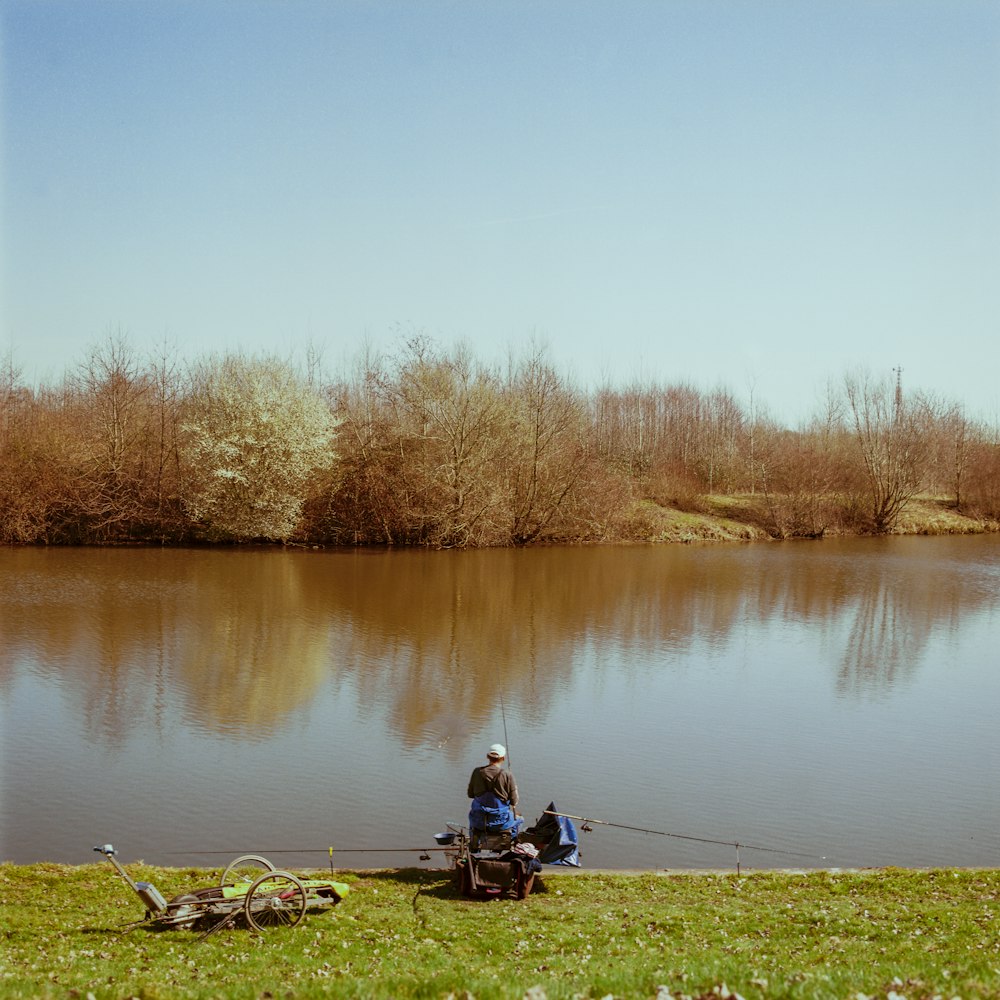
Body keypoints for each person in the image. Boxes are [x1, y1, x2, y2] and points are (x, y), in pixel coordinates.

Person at [467, 743, 520, 836]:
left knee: (472, 816)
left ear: (487, 756)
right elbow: (514, 801)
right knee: (520, 819)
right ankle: (512, 842)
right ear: (503, 758)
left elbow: (470, 794)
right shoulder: (507, 775)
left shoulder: (476, 772)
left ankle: (474, 845)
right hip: (500, 823)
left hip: (479, 822)